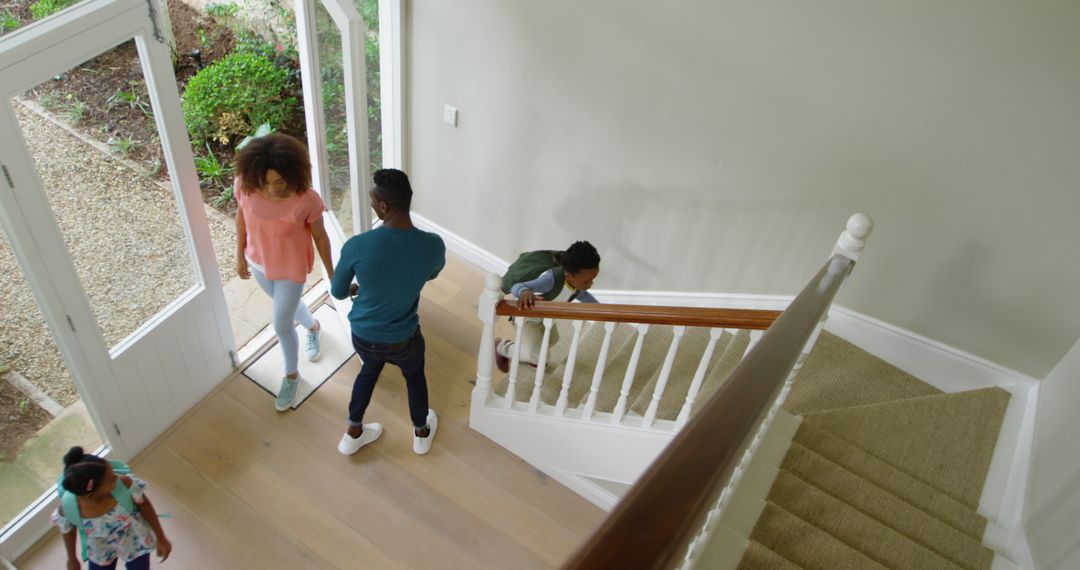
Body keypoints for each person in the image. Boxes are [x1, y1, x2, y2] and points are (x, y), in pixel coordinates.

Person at [331, 168, 446, 456]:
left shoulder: (357, 246)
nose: (371, 204)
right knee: (414, 375)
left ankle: (353, 433)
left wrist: (358, 289)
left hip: (363, 335)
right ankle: (421, 432)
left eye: (372, 200)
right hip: (402, 339)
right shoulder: (433, 245)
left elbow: (338, 291)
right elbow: (431, 273)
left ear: (384, 206)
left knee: (368, 372)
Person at [234, 133, 334, 412]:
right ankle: (313, 327)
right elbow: (241, 216)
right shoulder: (245, 185)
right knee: (287, 310)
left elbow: (321, 237)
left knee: (281, 324)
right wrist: (239, 255)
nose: (273, 189)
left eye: (280, 182)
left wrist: (332, 273)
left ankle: (292, 375)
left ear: (293, 173)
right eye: (266, 183)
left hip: (291, 270)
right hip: (258, 263)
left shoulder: (307, 200)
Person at [52, 447, 171, 570]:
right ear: (92, 494)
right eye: (111, 478)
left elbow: (145, 505)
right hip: (100, 549)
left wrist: (161, 537)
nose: (117, 476)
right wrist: (72, 559)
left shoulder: (124, 484)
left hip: (134, 542)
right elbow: (67, 530)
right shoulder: (69, 507)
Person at [494, 242, 601, 373]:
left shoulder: (576, 286)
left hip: (545, 318)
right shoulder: (550, 280)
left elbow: (584, 296)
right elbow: (516, 286)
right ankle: (502, 347)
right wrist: (524, 292)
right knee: (534, 353)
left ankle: (533, 356)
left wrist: (601, 309)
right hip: (527, 318)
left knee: (553, 339)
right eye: (587, 281)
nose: (591, 284)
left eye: (592, 280)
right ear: (568, 274)